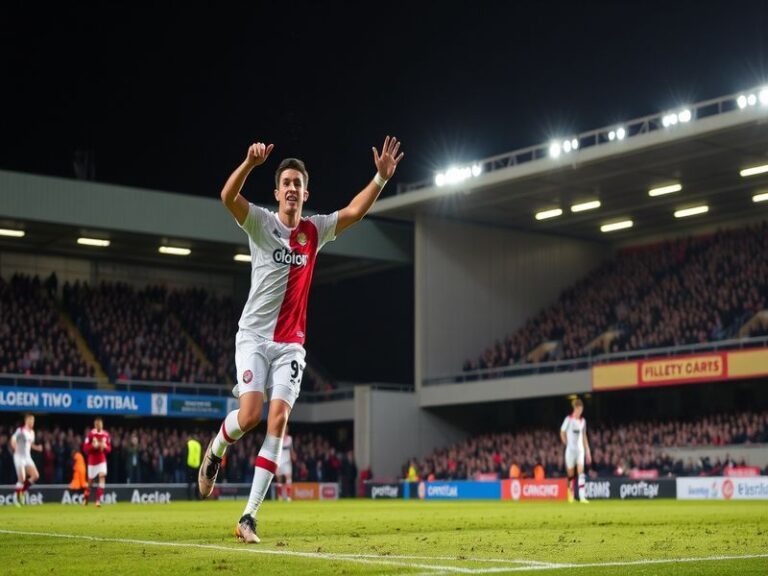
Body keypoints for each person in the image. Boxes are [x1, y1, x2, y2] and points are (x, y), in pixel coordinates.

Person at [198, 136, 404, 544]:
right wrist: (248, 163)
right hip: (254, 337)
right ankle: (217, 447)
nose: (292, 188)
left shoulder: (316, 229)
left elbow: (355, 212)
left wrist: (380, 178)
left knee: (279, 420)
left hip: (291, 344)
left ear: (306, 193)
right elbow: (226, 196)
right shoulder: (260, 221)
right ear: (277, 192)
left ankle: (248, 518)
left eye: (298, 183)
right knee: (251, 414)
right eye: (286, 182)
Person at [560, 398, 591, 504]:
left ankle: (582, 497)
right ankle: (570, 494)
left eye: (581, 410)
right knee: (570, 475)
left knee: (581, 472)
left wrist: (588, 451)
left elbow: (584, 436)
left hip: (580, 451)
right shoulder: (568, 419)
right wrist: (566, 443)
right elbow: (562, 432)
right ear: (575, 408)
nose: (580, 412)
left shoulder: (583, 421)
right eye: (579, 410)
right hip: (570, 451)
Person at [10, 413, 42, 506]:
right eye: (30, 420)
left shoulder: (32, 433)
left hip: (27, 457)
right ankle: (16, 498)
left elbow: (30, 445)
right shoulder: (20, 430)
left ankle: (22, 491)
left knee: (35, 475)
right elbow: (13, 439)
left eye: (33, 421)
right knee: (22, 479)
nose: (32, 422)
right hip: (19, 456)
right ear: (26, 421)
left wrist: (37, 448)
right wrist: (15, 447)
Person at [83, 417, 111, 506]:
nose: (98, 425)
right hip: (92, 461)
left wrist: (105, 447)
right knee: (90, 482)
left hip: (102, 460)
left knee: (102, 477)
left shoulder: (106, 435)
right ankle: (86, 499)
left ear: (102, 425)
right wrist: (93, 446)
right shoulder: (90, 434)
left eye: (100, 424)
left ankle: (97, 501)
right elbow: (85, 448)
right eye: (97, 424)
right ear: (95, 425)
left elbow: (109, 449)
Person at [276, 428, 294, 501]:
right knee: (280, 479)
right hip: (279, 461)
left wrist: (293, 455)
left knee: (288, 478)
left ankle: (288, 497)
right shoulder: (278, 438)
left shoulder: (289, 439)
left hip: (287, 461)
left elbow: (291, 449)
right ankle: (280, 497)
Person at [185, 434, 202, 500]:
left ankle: (189, 497)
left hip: (189, 466)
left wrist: (185, 465)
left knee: (189, 483)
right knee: (197, 483)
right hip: (197, 466)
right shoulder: (199, 445)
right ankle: (197, 496)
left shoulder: (189, 444)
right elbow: (200, 456)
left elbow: (185, 454)